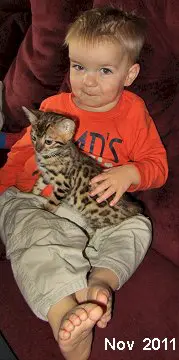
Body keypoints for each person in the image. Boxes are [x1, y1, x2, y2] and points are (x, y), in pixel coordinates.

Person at [0, 7, 168, 360]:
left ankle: (101, 282)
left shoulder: (135, 114)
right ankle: (64, 313)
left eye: (104, 70)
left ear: (129, 74)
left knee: (137, 227)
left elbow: (158, 166)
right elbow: (19, 152)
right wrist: (5, 191)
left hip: (101, 210)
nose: (88, 81)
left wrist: (132, 173)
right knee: (30, 227)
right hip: (44, 200)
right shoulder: (54, 106)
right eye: (79, 67)